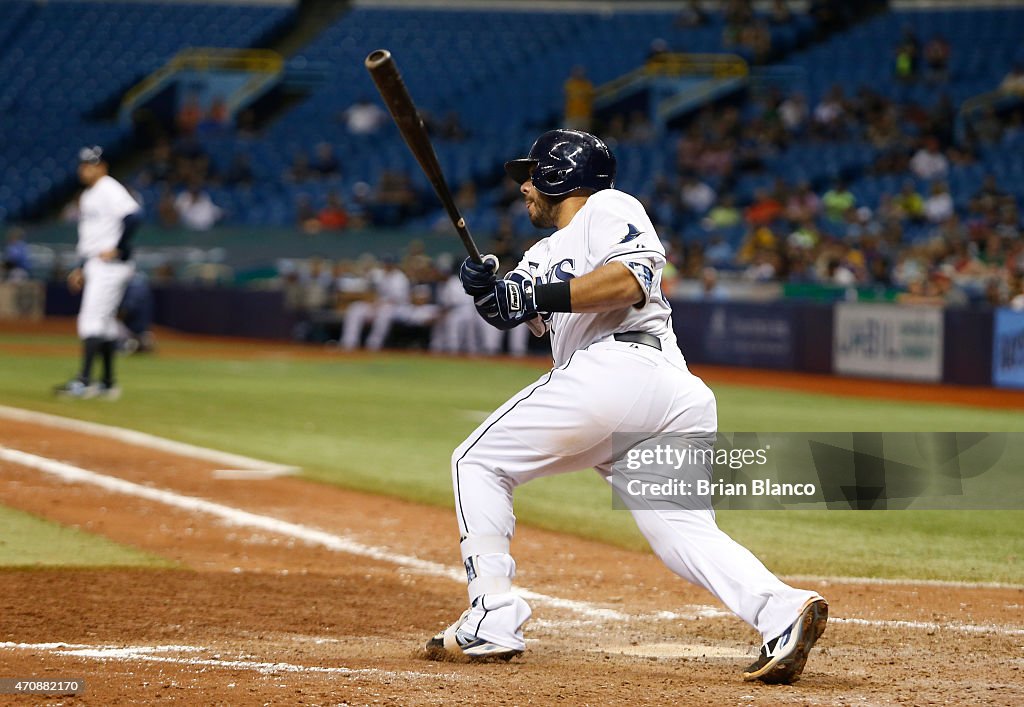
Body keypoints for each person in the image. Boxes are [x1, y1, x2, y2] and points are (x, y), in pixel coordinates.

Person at [425, 129, 827, 684]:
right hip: (665, 392)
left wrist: (531, 295)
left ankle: (492, 615)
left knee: (478, 462)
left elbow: (627, 281)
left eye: (532, 174)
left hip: (619, 371)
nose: (523, 186)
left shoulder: (609, 207)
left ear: (559, 176)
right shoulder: (542, 252)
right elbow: (512, 309)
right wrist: (486, 290)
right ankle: (781, 609)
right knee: (681, 532)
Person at [55, 146, 142, 399]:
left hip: (109, 266)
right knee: (104, 325)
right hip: (96, 263)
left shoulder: (108, 187)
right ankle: (106, 382)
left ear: (102, 167)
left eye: (91, 164)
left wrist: (119, 248)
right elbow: (93, 236)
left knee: (91, 321)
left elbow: (134, 216)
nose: (85, 169)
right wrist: (82, 266)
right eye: (83, 164)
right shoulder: (89, 195)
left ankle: (84, 382)